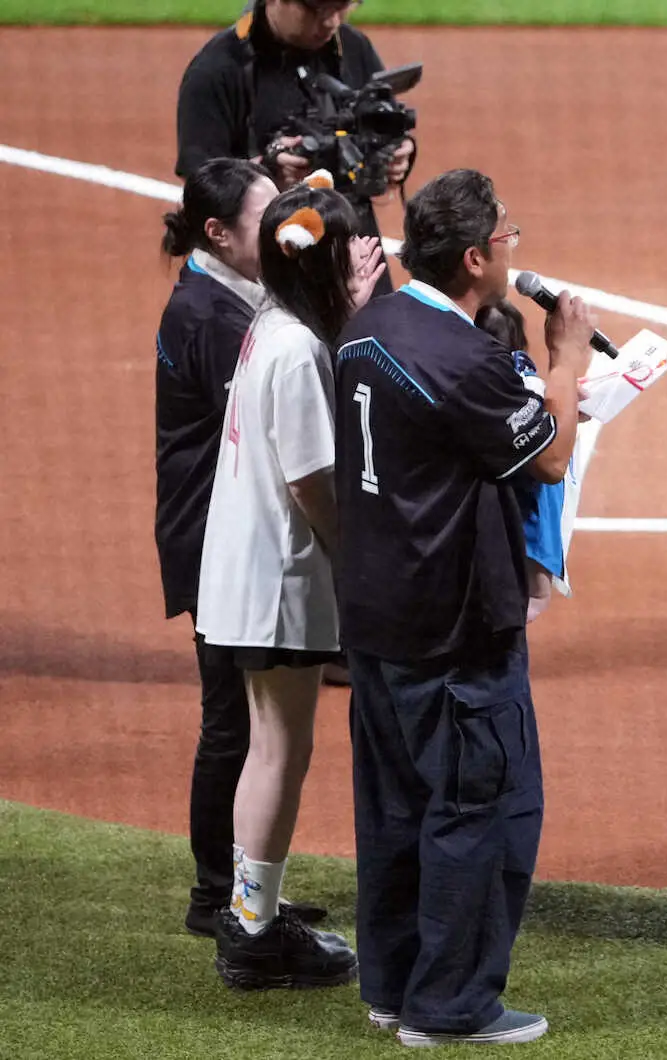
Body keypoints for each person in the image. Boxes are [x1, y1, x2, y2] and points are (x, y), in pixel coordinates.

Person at [333, 169, 594, 1045]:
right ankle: (449, 1008)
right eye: (507, 232)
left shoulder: (369, 326)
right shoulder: (463, 358)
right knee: (483, 809)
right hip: (453, 626)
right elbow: (549, 457)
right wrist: (566, 361)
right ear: (478, 258)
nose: (517, 242)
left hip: (374, 618)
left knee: (397, 808)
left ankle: (393, 984)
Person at [195, 172, 385, 989]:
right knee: (281, 750)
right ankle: (253, 933)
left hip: (242, 576)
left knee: (269, 749)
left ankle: (251, 919)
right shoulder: (301, 348)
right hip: (278, 582)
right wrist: (358, 564)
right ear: (324, 264)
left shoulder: (270, 322)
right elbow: (313, 480)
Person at [155, 156, 330, 940]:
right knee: (235, 722)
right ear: (219, 234)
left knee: (255, 725)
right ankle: (216, 896)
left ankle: (244, 888)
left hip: (229, 528)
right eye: (264, 220)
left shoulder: (234, 296)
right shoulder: (207, 315)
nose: (279, 231)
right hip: (217, 539)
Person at [174, 0, 415, 297]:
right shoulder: (216, 71)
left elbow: (383, 122)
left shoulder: (353, 47)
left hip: (354, 253)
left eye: (343, 7)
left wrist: (394, 154)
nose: (331, 21)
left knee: (374, 342)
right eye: (317, 9)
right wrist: (266, 171)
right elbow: (200, 190)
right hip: (270, 273)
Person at [475, 299, 569, 623]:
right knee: (536, 596)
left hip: (500, 480)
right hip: (531, 486)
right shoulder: (523, 372)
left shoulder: (467, 372)